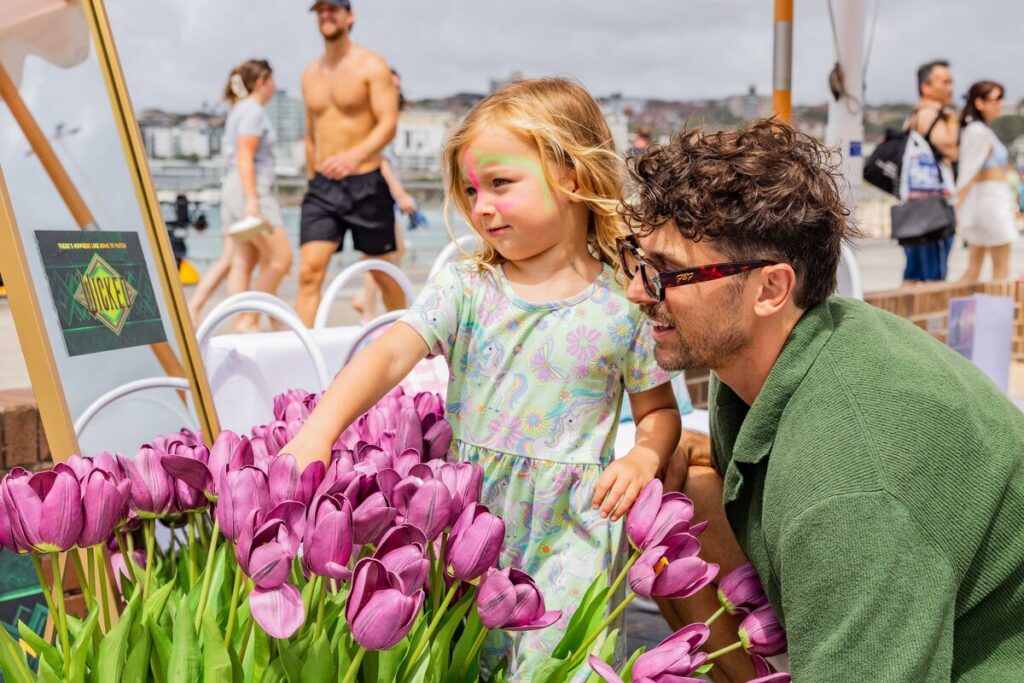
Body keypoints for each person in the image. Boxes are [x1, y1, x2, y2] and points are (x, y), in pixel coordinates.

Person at [284, 78, 681, 679]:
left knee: (559, 667)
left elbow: (657, 411)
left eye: (500, 184)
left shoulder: (623, 303)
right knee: (463, 663)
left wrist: (644, 458)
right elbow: (390, 355)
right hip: (466, 517)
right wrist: (320, 430)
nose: (481, 206)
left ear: (572, 178)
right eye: (472, 190)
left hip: (571, 528)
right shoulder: (468, 286)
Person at [624, 119, 1024, 680]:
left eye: (667, 272)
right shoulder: (780, 350)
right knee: (668, 488)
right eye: (636, 260)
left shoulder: (848, 483)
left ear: (771, 288)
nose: (636, 290)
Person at [296, 0, 405, 326]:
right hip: (322, 188)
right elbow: (312, 133)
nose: (325, 15)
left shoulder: (371, 65)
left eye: (332, 9)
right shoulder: (309, 74)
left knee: (382, 272)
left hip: (366, 182)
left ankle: (411, 345)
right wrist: (313, 175)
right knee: (308, 272)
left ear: (349, 15)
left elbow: (388, 123)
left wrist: (354, 156)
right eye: (320, 10)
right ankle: (304, 355)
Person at [190, 60, 293, 330]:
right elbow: (245, 155)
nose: (275, 87)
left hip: (234, 187)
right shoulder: (253, 112)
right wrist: (252, 201)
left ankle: (224, 316)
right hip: (251, 187)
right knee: (281, 259)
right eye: (272, 81)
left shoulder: (239, 110)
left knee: (240, 260)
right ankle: (249, 319)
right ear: (261, 82)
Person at [351, 67, 418, 322]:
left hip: (379, 193)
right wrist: (399, 193)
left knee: (391, 252)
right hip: (376, 191)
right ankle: (370, 309)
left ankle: (366, 302)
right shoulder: (376, 120)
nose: (396, 91)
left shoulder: (383, 118)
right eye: (392, 86)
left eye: (398, 87)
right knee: (383, 255)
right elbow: (380, 160)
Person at [902, 59, 959, 284]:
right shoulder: (930, 115)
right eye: (945, 82)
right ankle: (931, 319)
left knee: (913, 271)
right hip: (933, 207)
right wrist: (951, 119)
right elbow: (951, 150)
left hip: (914, 205)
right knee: (935, 273)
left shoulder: (913, 115)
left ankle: (903, 318)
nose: (951, 88)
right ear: (925, 86)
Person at [957, 80, 1017, 281]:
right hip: (991, 202)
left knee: (974, 268)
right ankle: (995, 313)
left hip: (987, 201)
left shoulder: (979, 129)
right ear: (980, 103)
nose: (1001, 102)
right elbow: (968, 172)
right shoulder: (978, 131)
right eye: (996, 98)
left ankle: (955, 312)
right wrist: (956, 207)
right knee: (1000, 270)